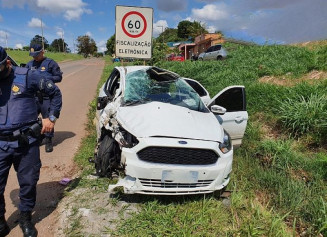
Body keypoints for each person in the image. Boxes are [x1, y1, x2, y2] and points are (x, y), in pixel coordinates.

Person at [0, 46, 62, 237]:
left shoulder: (28, 76)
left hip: (26, 141)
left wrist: (51, 118)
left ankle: (26, 217)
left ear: (7, 63)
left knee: (28, 182)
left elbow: (55, 93)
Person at [26, 43, 63, 153]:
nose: (35, 57)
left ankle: (48, 140)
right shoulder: (29, 64)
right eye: (33, 55)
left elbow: (59, 77)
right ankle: (37, 136)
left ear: (42, 52)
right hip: (33, 97)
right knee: (30, 119)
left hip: (46, 97)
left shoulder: (50, 63)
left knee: (48, 118)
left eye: (36, 54)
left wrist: (46, 78)